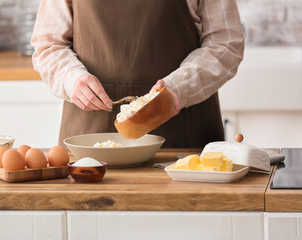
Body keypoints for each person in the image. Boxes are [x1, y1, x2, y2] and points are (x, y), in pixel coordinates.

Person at [31, 0, 244, 148]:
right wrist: (71, 78)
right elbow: (49, 44)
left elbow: (225, 43)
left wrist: (179, 88)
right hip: (89, 142)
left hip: (182, 140)